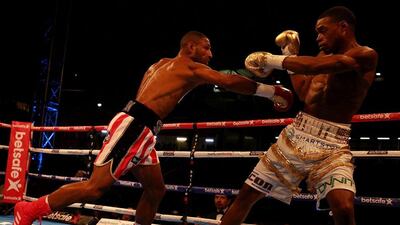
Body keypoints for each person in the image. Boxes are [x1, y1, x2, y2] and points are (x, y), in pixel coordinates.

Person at [13, 30, 293, 225]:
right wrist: (273, 91)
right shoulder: (189, 67)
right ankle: (29, 209)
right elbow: (228, 81)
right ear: (191, 47)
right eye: (207, 47)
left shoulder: (159, 64)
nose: (211, 53)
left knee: (156, 189)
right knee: (95, 188)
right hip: (136, 127)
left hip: (140, 127)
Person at [221, 6, 378, 225]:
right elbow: (305, 93)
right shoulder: (322, 56)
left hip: (333, 144)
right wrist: (288, 56)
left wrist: (271, 59)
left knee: (343, 206)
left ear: (343, 27)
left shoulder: (364, 55)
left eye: (323, 30)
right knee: (246, 196)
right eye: (316, 32)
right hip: (296, 135)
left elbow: (317, 67)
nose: (318, 37)